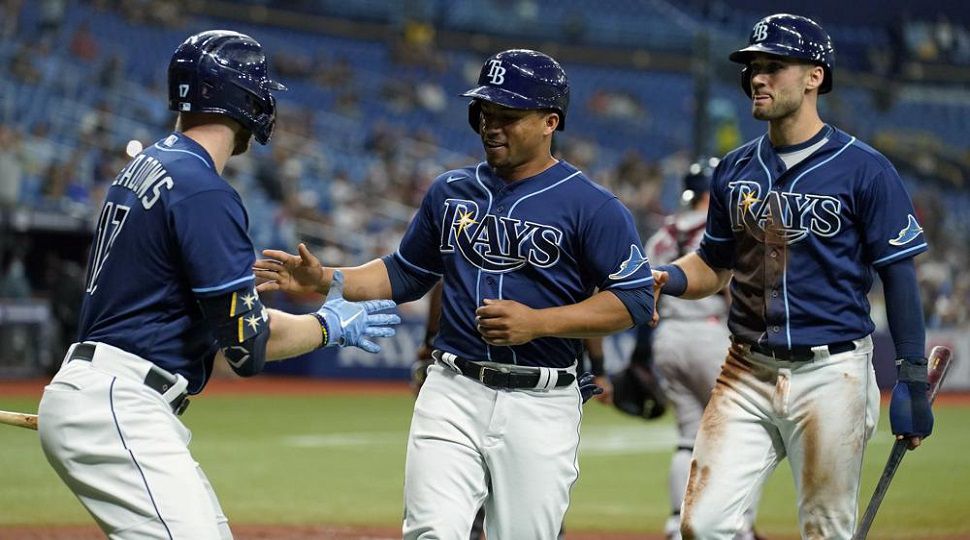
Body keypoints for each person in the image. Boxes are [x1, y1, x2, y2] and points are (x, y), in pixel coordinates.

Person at [255, 49, 654, 539]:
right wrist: (328, 281)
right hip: (453, 386)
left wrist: (540, 322)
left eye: (508, 116)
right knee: (431, 532)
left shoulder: (593, 206)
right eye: (485, 113)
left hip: (541, 398)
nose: (492, 126)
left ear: (551, 121)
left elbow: (636, 299)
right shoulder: (451, 191)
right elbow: (406, 273)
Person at [36, 31, 400, 539]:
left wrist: (258, 307)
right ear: (243, 98)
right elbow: (247, 350)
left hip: (109, 392)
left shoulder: (147, 166)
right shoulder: (202, 187)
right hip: (121, 402)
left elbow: (194, 313)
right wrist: (326, 327)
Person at [650, 14, 932, 539]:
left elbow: (899, 274)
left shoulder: (864, 169)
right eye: (753, 68)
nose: (757, 78)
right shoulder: (734, 169)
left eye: (773, 66)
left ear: (814, 76)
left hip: (832, 372)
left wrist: (911, 378)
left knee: (825, 528)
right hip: (746, 368)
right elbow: (714, 264)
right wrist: (666, 277)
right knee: (702, 525)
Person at [645, 159, 761, 540]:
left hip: (667, 336)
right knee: (739, 431)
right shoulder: (717, 230)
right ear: (713, 193)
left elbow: (644, 290)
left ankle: (677, 523)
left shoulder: (661, 234)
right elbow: (732, 286)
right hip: (709, 332)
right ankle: (738, 525)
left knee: (687, 435)